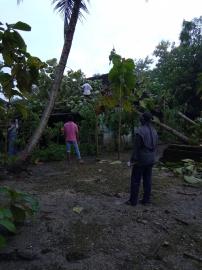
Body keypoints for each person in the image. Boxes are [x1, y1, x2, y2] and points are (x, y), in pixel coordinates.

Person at [126, 112, 158, 206]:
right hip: (151, 159)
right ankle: (146, 200)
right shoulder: (154, 131)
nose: (140, 118)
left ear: (143, 119)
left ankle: (133, 201)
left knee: (135, 180)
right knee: (148, 180)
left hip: (141, 160)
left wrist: (132, 161)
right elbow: (156, 146)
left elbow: (136, 148)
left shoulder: (140, 131)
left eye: (141, 117)